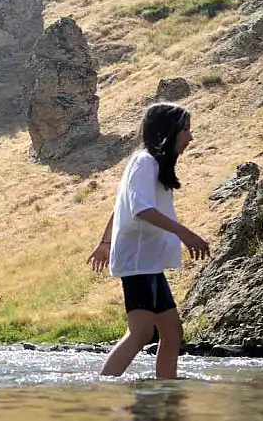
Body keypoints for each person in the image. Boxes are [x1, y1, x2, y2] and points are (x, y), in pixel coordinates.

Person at [87, 103, 211, 380]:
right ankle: (104, 388)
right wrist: (184, 233)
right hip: (138, 260)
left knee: (172, 333)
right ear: (168, 132)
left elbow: (121, 207)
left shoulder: (151, 163)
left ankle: (166, 390)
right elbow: (139, 208)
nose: (190, 137)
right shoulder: (145, 162)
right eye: (186, 130)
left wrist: (105, 243)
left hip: (148, 262)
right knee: (140, 332)